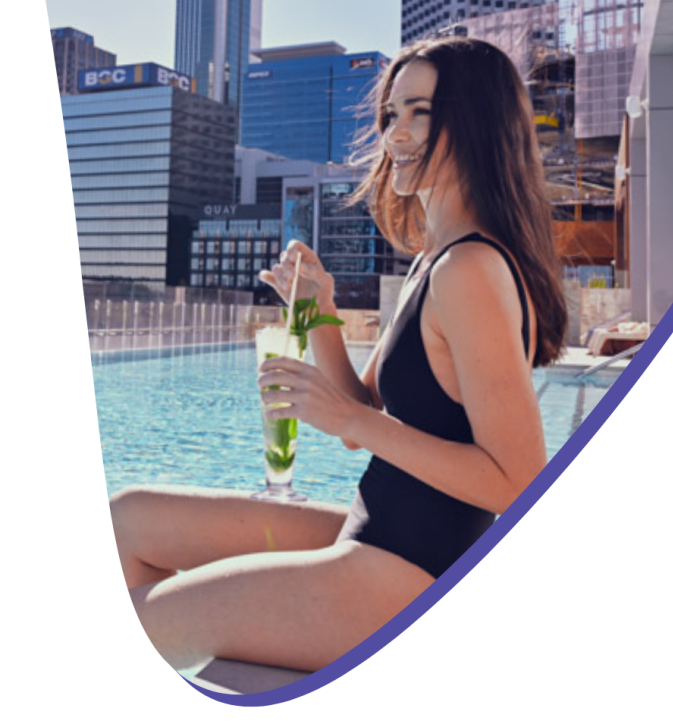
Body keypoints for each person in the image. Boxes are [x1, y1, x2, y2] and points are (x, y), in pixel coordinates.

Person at [110, 36, 567, 674]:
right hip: (373, 533)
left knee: (122, 628)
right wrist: (319, 308)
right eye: (390, 114)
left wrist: (355, 423)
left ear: (476, 122)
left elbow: (518, 481)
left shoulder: (470, 268)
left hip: (410, 575)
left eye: (420, 113)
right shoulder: (435, 260)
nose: (395, 133)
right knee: (128, 519)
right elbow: (365, 407)